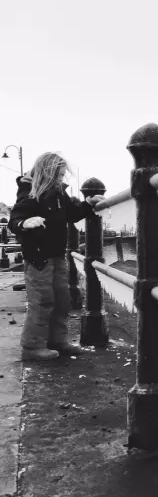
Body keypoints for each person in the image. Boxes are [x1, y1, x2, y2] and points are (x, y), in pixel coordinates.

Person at [8, 153, 105, 360]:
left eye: (63, 175)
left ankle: (57, 341)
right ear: (48, 174)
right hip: (38, 259)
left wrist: (88, 204)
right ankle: (32, 347)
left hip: (58, 256)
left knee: (62, 300)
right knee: (42, 302)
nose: (62, 179)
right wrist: (25, 223)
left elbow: (73, 213)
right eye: (59, 175)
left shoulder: (60, 195)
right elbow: (14, 220)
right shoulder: (30, 195)